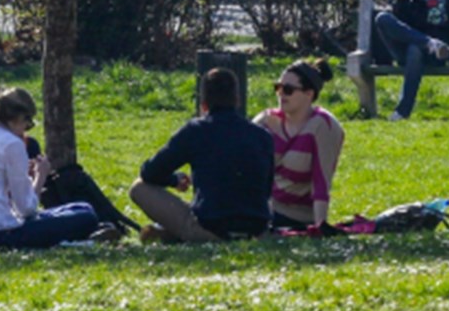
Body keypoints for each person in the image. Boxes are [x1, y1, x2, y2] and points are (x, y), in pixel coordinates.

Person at [129, 67, 275, 243]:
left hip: (212, 228)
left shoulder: (196, 131)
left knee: (138, 188)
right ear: (237, 100)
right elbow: (266, 188)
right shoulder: (262, 135)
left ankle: (172, 232)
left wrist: (174, 180)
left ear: (204, 104)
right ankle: (168, 233)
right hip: (255, 229)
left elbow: (150, 173)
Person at [0, 87, 105, 249]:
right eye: (27, 122)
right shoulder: (11, 143)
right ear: (16, 118)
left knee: (80, 207)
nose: (26, 128)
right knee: (87, 215)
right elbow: (26, 209)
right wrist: (40, 177)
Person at [253, 59, 346, 230]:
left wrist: (319, 226)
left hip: (295, 216)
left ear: (309, 94)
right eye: (278, 88)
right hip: (261, 209)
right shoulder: (266, 121)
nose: (281, 94)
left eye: (288, 90)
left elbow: (321, 181)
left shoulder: (323, 126)